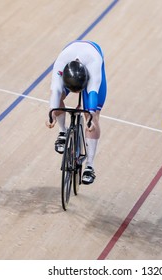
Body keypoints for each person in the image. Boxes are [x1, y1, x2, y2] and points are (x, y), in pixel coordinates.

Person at [46, 40, 107, 185]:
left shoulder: (93, 65)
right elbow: (55, 91)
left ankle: (90, 166)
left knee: (92, 117)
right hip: (70, 58)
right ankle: (62, 132)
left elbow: (92, 93)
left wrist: (91, 116)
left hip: (92, 60)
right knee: (58, 97)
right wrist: (51, 115)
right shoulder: (61, 64)